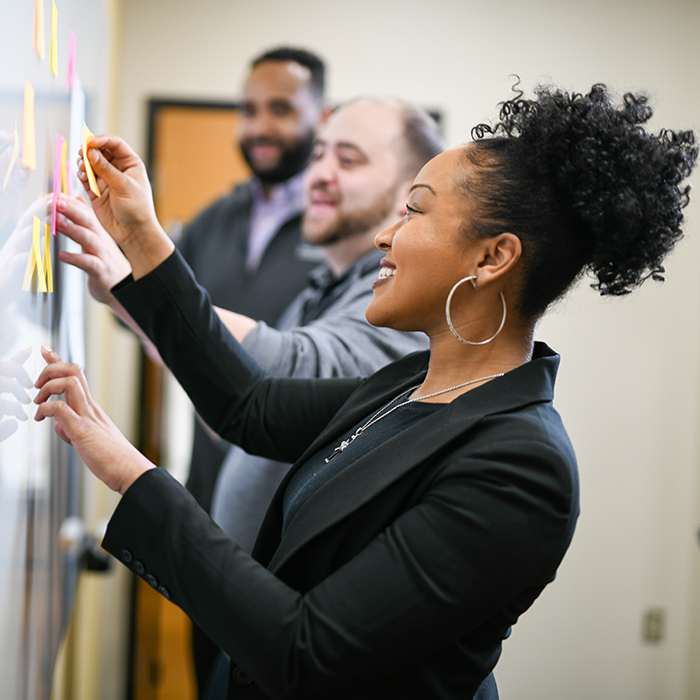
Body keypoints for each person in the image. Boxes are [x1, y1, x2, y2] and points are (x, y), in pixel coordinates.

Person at [35, 84, 697, 699]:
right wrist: (144, 239)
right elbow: (249, 405)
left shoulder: (522, 468)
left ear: (492, 258)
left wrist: (129, 473)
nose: (385, 233)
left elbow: (306, 651)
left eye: (414, 211)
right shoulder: (411, 383)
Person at [56, 96, 441, 693]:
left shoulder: (399, 310)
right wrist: (129, 294)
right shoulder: (321, 288)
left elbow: (282, 378)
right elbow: (237, 402)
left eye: (350, 158)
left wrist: (139, 273)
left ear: (406, 198)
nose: (320, 173)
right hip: (235, 614)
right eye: (318, 154)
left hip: (276, 630)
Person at [174, 46, 327, 516]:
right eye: (248, 110)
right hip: (209, 487)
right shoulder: (215, 219)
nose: (259, 127)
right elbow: (155, 309)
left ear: (323, 116)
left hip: (295, 498)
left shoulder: (343, 228)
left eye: (280, 109)